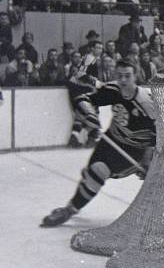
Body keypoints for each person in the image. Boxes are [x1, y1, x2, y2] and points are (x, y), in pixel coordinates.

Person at [41, 60, 156, 227]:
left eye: (128, 76)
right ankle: (73, 205)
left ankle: (72, 207)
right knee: (93, 172)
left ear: (135, 76)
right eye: (120, 76)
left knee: (97, 172)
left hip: (134, 150)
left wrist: (147, 160)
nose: (123, 80)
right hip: (112, 140)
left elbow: (157, 133)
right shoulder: (114, 89)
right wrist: (89, 115)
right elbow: (84, 99)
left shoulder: (145, 102)